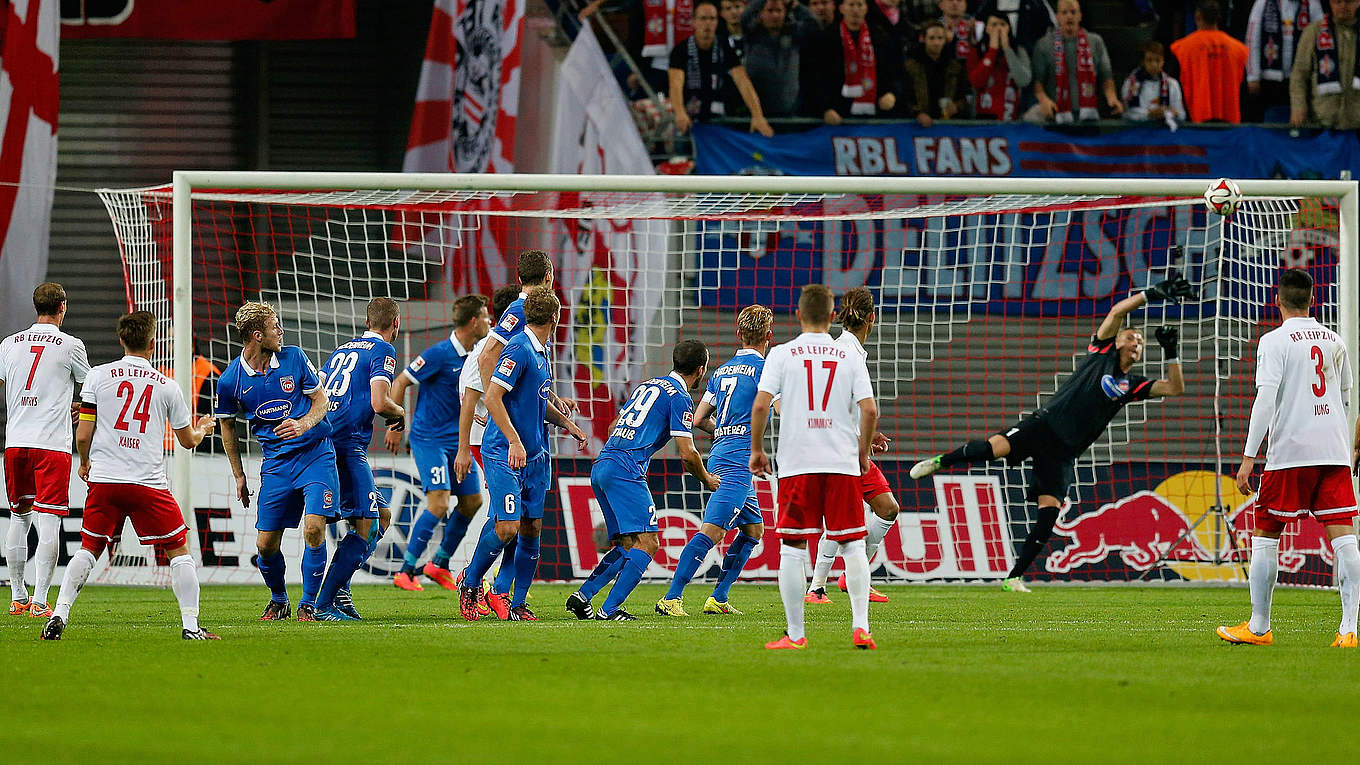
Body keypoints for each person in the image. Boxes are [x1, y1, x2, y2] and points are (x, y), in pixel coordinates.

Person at [910, 272, 1193, 592]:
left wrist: (1172, 352)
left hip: (1064, 452)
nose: (1136, 343)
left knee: (1049, 516)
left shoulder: (1132, 385)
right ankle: (940, 461)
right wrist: (1152, 294)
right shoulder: (1101, 353)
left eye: (1140, 342)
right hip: (1043, 426)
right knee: (991, 450)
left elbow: (1174, 388)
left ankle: (1013, 578)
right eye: (1131, 338)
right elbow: (1117, 311)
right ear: (1117, 341)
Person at [41, 311, 218, 641]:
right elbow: (187, 441)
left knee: (89, 549)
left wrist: (84, 463)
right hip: (147, 484)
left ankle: (59, 613)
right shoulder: (167, 386)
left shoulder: (97, 376)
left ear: (121, 340)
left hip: (106, 481)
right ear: (152, 344)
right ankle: (191, 626)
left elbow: (83, 434)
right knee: (179, 551)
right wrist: (204, 428)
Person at [1219, 269, 1360, 647]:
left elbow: (1265, 399)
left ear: (1277, 301)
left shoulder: (1274, 341)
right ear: (1313, 300)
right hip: (1334, 451)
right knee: (1344, 536)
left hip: (1290, 453)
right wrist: (1347, 445)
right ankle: (1349, 629)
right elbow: (1346, 398)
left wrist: (1249, 457)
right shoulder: (1334, 340)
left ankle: (1259, 627)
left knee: (1265, 533)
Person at [752, 284, 879, 650]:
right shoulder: (849, 355)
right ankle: (861, 627)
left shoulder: (782, 354)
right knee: (853, 545)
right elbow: (869, 410)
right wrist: (863, 453)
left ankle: (796, 635)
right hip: (841, 463)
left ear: (798, 315)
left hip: (797, 464)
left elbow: (761, 405)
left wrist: (757, 450)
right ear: (833, 316)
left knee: (792, 548)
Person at [458, 287, 588, 622]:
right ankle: (470, 582)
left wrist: (566, 423)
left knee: (531, 527)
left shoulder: (541, 351)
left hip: (535, 455)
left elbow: (537, 400)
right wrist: (514, 441)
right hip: (505, 451)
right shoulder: (518, 348)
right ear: (556, 317)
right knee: (507, 527)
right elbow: (493, 397)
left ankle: (514, 601)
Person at [567, 340, 719, 621]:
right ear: (701, 369)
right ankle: (609, 610)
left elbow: (613, 426)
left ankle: (583, 596)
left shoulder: (647, 386)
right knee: (649, 543)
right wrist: (707, 479)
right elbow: (688, 454)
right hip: (626, 470)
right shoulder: (680, 398)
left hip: (603, 464)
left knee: (628, 544)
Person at [215, 302, 338, 621]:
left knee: (314, 528)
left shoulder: (294, 357)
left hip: (315, 454)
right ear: (258, 335)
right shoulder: (230, 380)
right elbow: (227, 426)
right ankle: (279, 600)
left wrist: (304, 424)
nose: (281, 332)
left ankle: (308, 604)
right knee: (265, 545)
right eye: (274, 327)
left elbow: (321, 401)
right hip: (276, 464)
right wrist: (239, 475)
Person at [656, 307, 774, 616]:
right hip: (738, 460)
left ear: (738, 334)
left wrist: (724, 430)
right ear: (768, 336)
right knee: (714, 531)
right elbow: (782, 410)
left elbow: (698, 419)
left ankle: (718, 598)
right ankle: (671, 598)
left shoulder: (721, 371)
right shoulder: (767, 370)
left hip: (721, 451)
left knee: (753, 529)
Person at [384, 294, 489, 592]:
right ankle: (406, 571)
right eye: (485, 316)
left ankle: (439, 564)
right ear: (473, 321)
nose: (489, 322)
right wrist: (395, 425)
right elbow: (401, 381)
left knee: (472, 501)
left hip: (458, 441)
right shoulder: (439, 354)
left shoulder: (478, 355)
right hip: (429, 439)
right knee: (440, 502)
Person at [311, 298, 406, 620]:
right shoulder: (384, 351)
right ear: (395, 323)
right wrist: (400, 412)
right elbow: (380, 403)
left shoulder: (341, 350)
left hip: (326, 439)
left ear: (367, 322)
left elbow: (318, 392)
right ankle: (322, 605)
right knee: (366, 525)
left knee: (382, 515)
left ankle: (340, 589)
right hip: (347, 444)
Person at [806, 288, 899, 605]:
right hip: (840, 449)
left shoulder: (841, 349)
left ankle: (844, 579)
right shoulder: (847, 352)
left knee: (880, 509)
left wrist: (867, 435)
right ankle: (819, 587)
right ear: (872, 318)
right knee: (851, 516)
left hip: (837, 443)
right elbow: (860, 407)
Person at [1, 282, 89, 619]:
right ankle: (39, 600)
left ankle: (17, 596)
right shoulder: (71, 345)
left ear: (35, 306)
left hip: (15, 443)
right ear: (62, 307)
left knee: (19, 517)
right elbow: (91, 387)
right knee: (49, 521)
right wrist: (80, 406)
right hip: (51, 445)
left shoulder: (9, 344)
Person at [454, 284, 530, 619]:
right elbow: (469, 403)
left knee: (506, 514)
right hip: (487, 441)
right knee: (506, 517)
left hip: (503, 439)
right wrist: (462, 450)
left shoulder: (513, 347)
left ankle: (489, 583)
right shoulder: (485, 352)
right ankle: (473, 578)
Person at [669, 0, 775, 136]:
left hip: (717, 116)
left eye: (712, 18)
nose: (708, 23)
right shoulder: (680, 50)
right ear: (694, 22)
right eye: (703, 18)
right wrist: (679, 112)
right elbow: (675, 84)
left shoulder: (724, 47)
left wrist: (757, 115)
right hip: (687, 117)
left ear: (717, 22)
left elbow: (743, 81)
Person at [801, 0, 903, 123]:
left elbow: (895, 72)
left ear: (866, 8)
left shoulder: (880, 37)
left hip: (876, 114)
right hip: (838, 115)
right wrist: (825, 108)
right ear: (841, 8)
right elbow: (814, 77)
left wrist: (892, 93)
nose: (855, 10)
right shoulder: (825, 38)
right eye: (851, 5)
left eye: (859, 5)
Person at [1029, 0, 1122, 123]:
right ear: (1057, 17)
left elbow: (1106, 76)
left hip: (1089, 115)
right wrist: (1043, 100)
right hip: (1056, 116)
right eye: (1064, 12)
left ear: (1080, 16)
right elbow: (1037, 82)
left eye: (1073, 12)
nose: (1069, 16)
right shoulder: (1043, 44)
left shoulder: (1096, 42)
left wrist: (1112, 97)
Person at [1244, 0, 1323, 122]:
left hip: (1302, 79)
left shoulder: (1312, 4)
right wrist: (1253, 76)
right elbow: (1252, 39)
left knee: (1300, 120)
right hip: (1270, 78)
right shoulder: (1262, 3)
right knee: (1272, 121)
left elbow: (1321, 38)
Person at [1170, 0, 1248, 123]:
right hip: (1230, 121)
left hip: (1195, 121)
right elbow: (1245, 88)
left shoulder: (1181, 48)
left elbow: (1174, 85)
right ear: (1218, 18)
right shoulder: (1239, 49)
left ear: (1198, 16)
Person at [1289, 0, 1360, 130]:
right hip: (1322, 120)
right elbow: (1299, 74)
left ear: (1358, 2)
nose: (1343, 6)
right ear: (1330, 2)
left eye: (1349, 1)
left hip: (1357, 120)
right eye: (1338, 1)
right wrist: (1298, 106)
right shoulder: (1313, 32)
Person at [742, 0, 820, 117]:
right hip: (756, 111)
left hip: (788, 110)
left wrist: (793, 3)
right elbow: (744, 17)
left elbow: (814, 24)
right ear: (761, 13)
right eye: (770, 10)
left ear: (785, 13)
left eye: (779, 11)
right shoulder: (753, 32)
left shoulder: (793, 32)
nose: (775, 15)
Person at [968, 11, 1033, 121]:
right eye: (994, 25)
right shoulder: (976, 51)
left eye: (1002, 24)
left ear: (1009, 28)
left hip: (1011, 118)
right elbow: (976, 82)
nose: (998, 28)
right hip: (981, 120)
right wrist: (992, 51)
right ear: (987, 29)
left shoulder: (1019, 51)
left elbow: (1024, 80)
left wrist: (1007, 49)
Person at [904, 20, 970, 126]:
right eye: (932, 38)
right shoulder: (911, 67)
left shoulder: (956, 67)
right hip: (919, 126)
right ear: (924, 39)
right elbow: (905, 97)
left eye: (940, 38)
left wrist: (956, 107)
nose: (936, 43)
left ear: (945, 40)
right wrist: (918, 114)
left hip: (948, 124)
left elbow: (965, 97)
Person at [1121, 41, 1187, 123]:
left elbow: (1181, 115)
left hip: (1164, 130)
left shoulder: (1172, 84)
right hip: (1138, 129)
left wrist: (1168, 113)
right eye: (1149, 60)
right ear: (1143, 62)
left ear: (1163, 61)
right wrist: (1148, 115)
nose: (1154, 65)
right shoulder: (1130, 83)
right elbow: (1126, 113)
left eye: (1158, 60)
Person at [974, 0, 1055, 52]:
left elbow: (1049, 28)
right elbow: (978, 28)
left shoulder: (1036, 3)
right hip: (994, 56)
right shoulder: (987, 4)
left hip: (1028, 55)